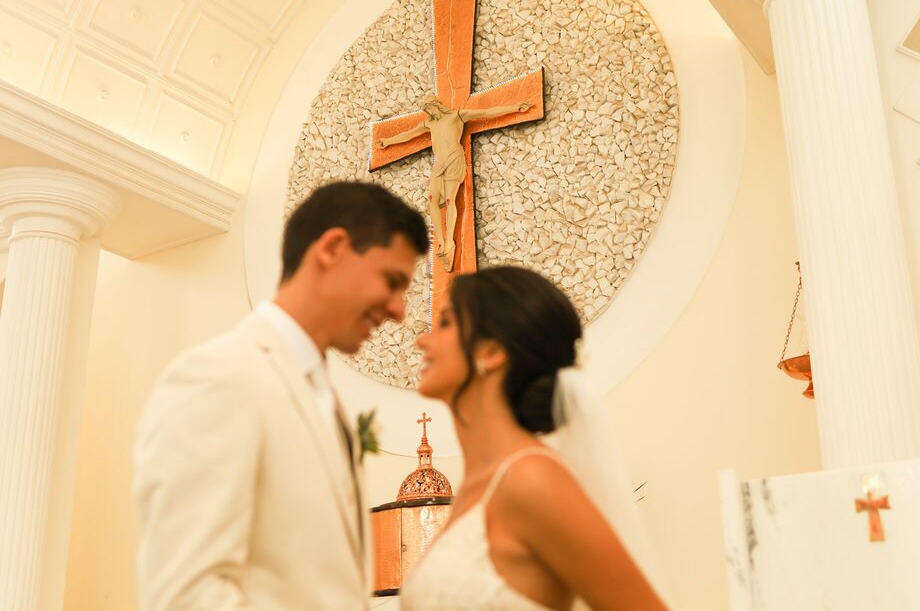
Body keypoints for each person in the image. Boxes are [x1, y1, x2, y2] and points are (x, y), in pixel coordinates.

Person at [134, 182, 429, 610]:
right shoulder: (219, 378)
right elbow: (188, 593)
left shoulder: (324, 397)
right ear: (332, 249)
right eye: (391, 281)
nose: (400, 310)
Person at [402, 266, 668, 611]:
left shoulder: (531, 479)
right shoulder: (475, 487)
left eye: (446, 323)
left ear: (491, 351)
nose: (422, 339)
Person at [376, 95, 531, 271]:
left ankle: (449, 241)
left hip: (454, 159)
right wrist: (388, 141)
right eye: (426, 110)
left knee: (450, 200)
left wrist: (514, 107)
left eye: (430, 108)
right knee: (432, 199)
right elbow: (409, 134)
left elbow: (486, 112)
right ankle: (440, 241)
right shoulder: (429, 124)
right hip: (439, 163)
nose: (428, 113)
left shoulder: (457, 116)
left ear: (437, 105)